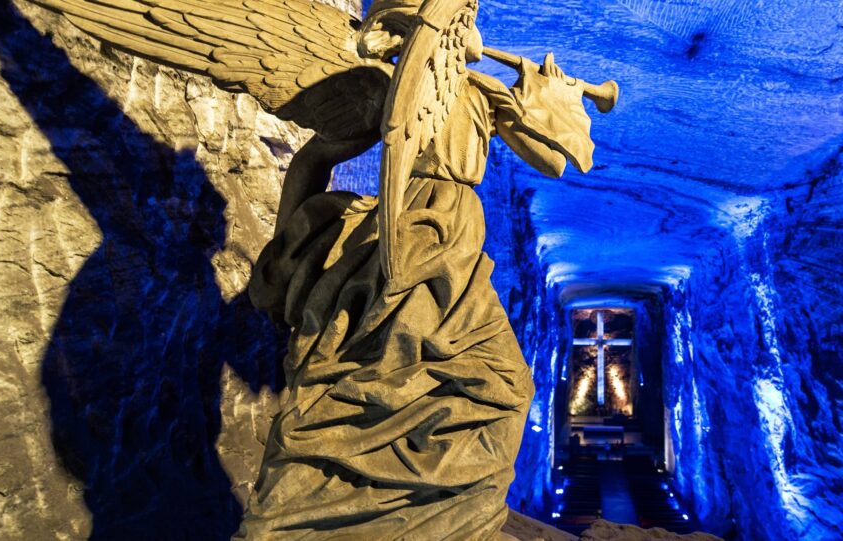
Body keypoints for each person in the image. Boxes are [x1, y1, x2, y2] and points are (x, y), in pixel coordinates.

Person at [235, 26, 598, 540]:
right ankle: (355, 512)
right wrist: (289, 252)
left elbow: (557, 160)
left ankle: (437, 514)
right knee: (413, 381)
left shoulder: (478, 91)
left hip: (453, 244)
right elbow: (315, 158)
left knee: (492, 387)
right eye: (461, 18)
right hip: (412, 244)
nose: (470, 29)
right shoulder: (388, 91)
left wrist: (544, 97)